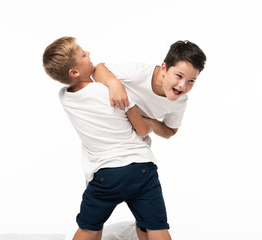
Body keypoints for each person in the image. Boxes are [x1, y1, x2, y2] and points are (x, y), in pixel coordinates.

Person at [43, 36, 172, 240]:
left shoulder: (64, 97)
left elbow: (90, 79)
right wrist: (115, 85)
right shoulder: (112, 92)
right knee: (156, 227)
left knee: (89, 227)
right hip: (140, 168)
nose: (89, 54)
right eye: (83, 54)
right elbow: (142, 130)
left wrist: (108, 82)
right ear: (74, 71)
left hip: (105, 177)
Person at [93, 40, 207, 140]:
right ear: (163, 68)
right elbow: (99, 69)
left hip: (135, 145)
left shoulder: (180, 101)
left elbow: (171, 131)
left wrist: (151, 123)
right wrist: (114, 85)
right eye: (179, 76)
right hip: (108, 131)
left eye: (191, 81)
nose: (183, 85)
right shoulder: (137, 73)